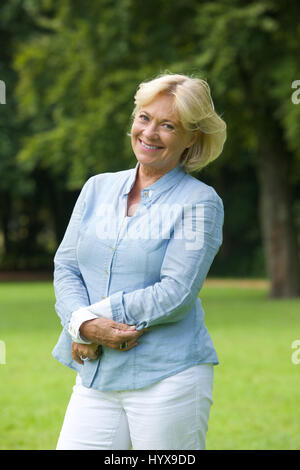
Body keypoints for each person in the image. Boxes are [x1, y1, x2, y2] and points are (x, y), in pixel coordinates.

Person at [52, 72, 226, 450]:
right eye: (144, 118)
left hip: (168, 378)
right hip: (96, 375)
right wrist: (81, 324)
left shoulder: (200, 203)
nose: (150, 133)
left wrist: (88, 322)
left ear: (191, 137)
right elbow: (66, 267)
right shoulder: (97, 187)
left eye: (168, 125)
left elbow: (176, 291)